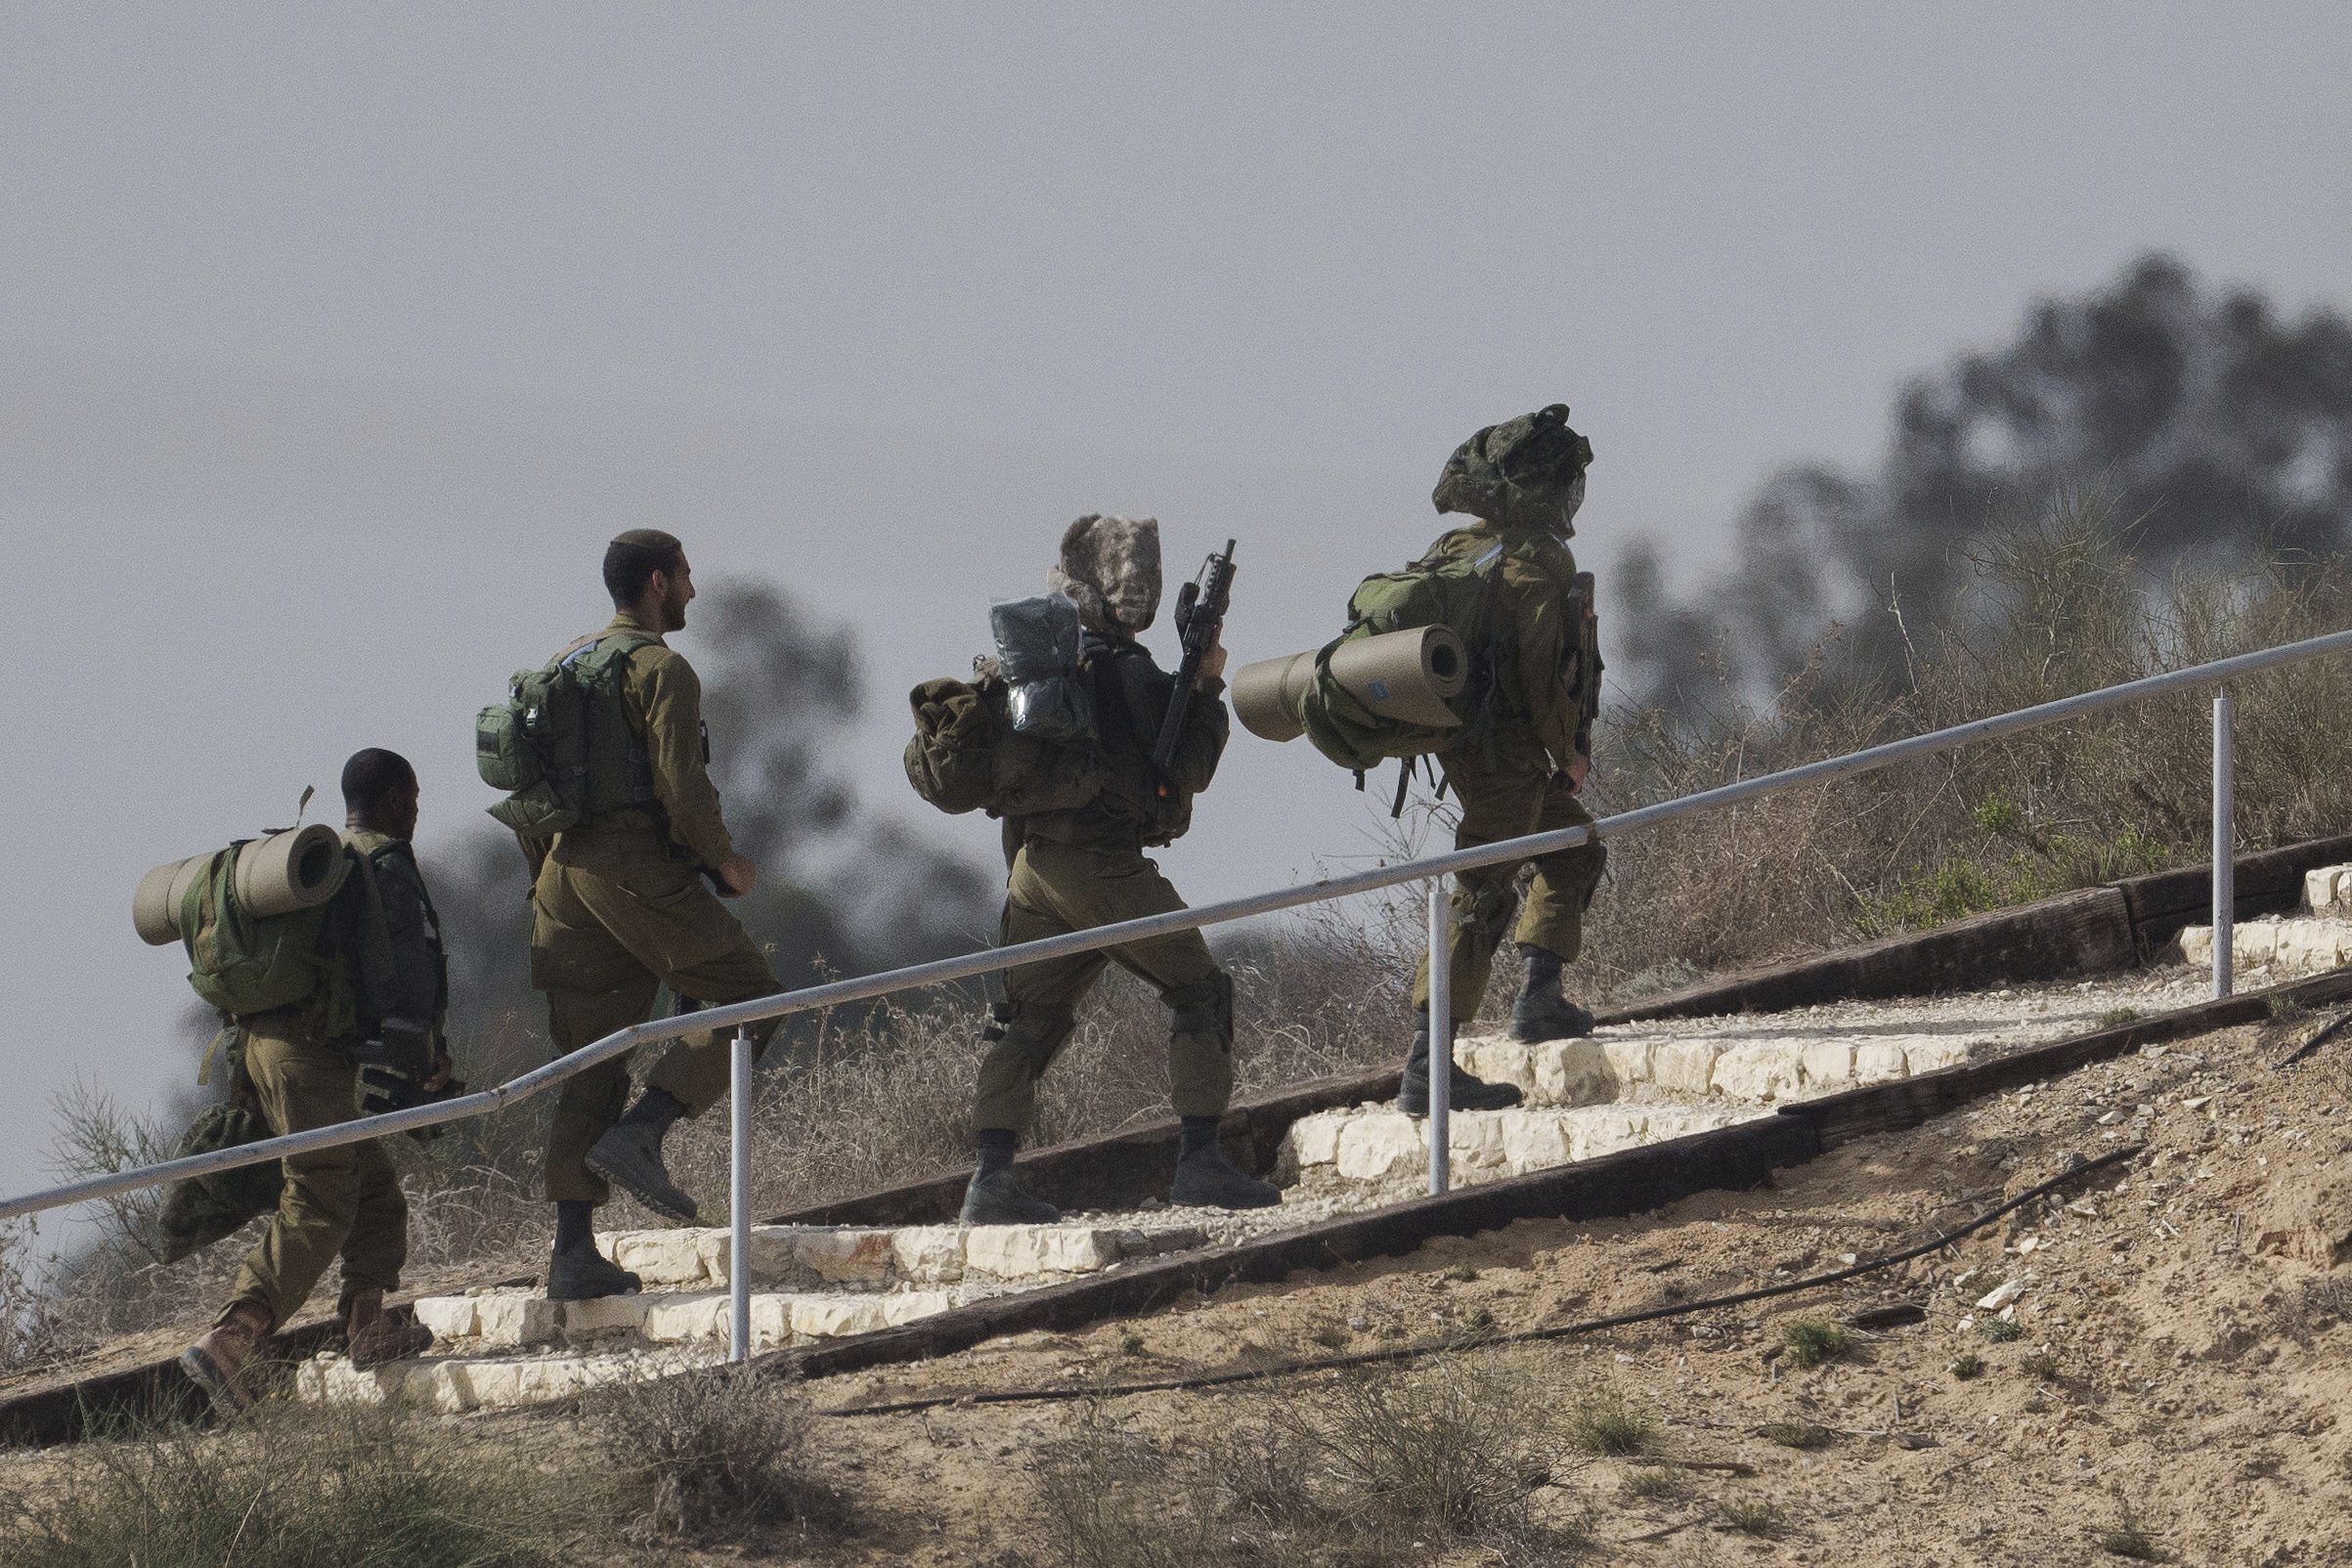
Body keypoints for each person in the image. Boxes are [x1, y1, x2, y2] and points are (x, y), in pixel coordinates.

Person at [965, 514, 1281, 1223]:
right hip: (1101, 869)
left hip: (1033, 868)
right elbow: (1186, 768)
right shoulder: (1128, 673)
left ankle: (991, 1182)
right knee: (1201, 992)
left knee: (1029, 1018)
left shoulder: (1041, 669)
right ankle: (1200, 1162)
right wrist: (1204, 687)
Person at [520, 530, 780, 1302]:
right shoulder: (662, 669)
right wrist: (721, 862)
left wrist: (549, 883)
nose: (695, 593)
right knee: (757, 997)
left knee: (592, 1060)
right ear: (660, 582)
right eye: (689, 578)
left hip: (561, 877)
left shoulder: (567, 662)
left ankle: (572, 1254)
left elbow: (527, 792)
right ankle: (643, 1133)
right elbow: (681, 786)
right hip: (632, 866)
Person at [179, 749, 452, 1412]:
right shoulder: (381, 865)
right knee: (323, 1197)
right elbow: (405, 975)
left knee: (377, 1194)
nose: (416, 810)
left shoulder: (316, 867)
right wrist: (428, 1057)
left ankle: (367, 1327)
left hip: (266, 1049)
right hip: (305, 1057)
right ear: (390, 800)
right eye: (411, 797)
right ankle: (231, 1338)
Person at [1401, 404, 1608, 1115]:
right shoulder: (1531, 571)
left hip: (1469, 747)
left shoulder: (1463, 550)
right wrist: (1571, 752)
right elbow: (1548, 682)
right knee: (1480, 896)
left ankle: (1540, 1000)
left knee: (1575, 848)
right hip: (1510, 757)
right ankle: (1427, 1069)